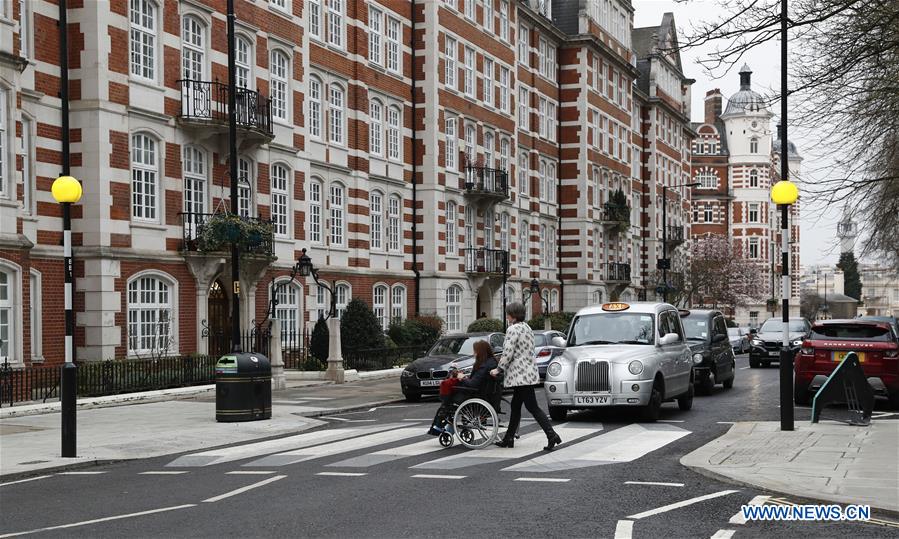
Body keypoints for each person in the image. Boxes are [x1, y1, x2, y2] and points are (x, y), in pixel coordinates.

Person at [491, 302, 562, 451]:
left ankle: (552, 435)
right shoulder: (527, 328)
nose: (507, 315)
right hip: (528, 372)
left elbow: (508, 352)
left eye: (508, 313)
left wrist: (498, 369)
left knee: (532, 407)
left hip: (520, 375)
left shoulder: (513, 329)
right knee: (515, 406)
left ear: (513, 315)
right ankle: (508, 438)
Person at [428, 340, 499, 435]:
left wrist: (461, 378)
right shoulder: (491, 362)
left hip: (476, 394)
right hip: (485, 393)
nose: (474, 353)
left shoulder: (484, 365)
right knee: (448, 399)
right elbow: (478, 380)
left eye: (475, 351)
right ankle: (445, 426)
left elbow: (473, 383)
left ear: (480, 352)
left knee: (447, 401)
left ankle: (438, 427)